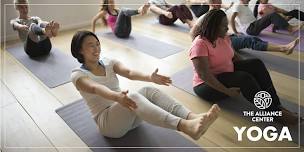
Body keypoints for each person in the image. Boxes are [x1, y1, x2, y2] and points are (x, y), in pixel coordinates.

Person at [70, 30, 220, 139]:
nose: (96, 49)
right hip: (110, 124)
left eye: (97, 44)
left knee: (148, 90)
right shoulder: (78, 75)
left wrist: (150, 77)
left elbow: (129, 72)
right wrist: (116, 97)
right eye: (91, 46)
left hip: (130, 115)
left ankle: (192, 117)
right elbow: (96, 88)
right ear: (79, 51)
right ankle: (185, 126)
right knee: (133, 96)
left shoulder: (109, 62)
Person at [189, 9, 299, 125]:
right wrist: (228, 92)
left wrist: (251, 70)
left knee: (255, 63)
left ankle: (276, 105)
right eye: (223, 26)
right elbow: (204, 75)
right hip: (207, 85)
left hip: (225, 73)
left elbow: (234, 55)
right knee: (244, 78)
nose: (227, 28)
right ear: (213, 27)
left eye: (227, 25)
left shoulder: (223, 37)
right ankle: (274, 112)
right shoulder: (200, 44)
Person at [190, 0, 299, 55]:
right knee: (250, 41)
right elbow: (193, 35)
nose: (219, 3)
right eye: (215, 1)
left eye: (220, 1)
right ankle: (284, 48)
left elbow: (223, 30)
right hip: (220, 44)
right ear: (210, 2)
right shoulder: (204, 17)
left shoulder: (219, 13)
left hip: (227, 39)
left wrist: (233, 33)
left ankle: (284, 47)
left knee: (255, 39)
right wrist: (209, 49)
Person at [230, 0, 302, 36]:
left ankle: (287, 27)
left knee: (274, 15)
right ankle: (290, 29)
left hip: (253, 26)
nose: (248, 1)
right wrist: (236, 32)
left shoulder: (245, 6)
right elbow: (232, 19)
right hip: (250, 29)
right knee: (272, 15)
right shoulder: (237, 6)